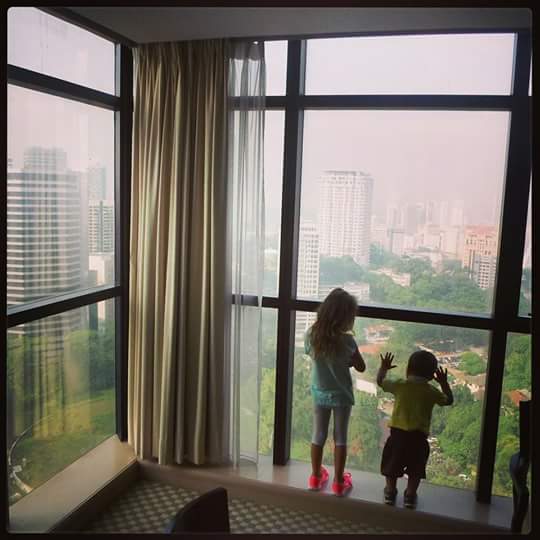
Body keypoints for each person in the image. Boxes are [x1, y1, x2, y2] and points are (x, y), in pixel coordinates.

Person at [304, 288, 366, 496]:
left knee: (318, 434)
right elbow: (361, 367)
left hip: (320, 393)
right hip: (341, 395)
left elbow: (312, 355)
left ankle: (315, 477)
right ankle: (339, 483)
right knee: (340, 437)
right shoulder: (348, 342)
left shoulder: (312, 336)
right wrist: (347, 361)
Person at [377, 350, 454, 509]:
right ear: (432, 375)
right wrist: (443, 383)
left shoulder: (400, 385)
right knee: (415, 469)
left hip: (397, 436)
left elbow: (380, 381)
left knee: (392, 465)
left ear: (408, 369)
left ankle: (390, 492)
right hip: (418, 438)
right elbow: (448, 400)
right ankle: (410, 495)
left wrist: (384, 367)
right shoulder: (431, 391)